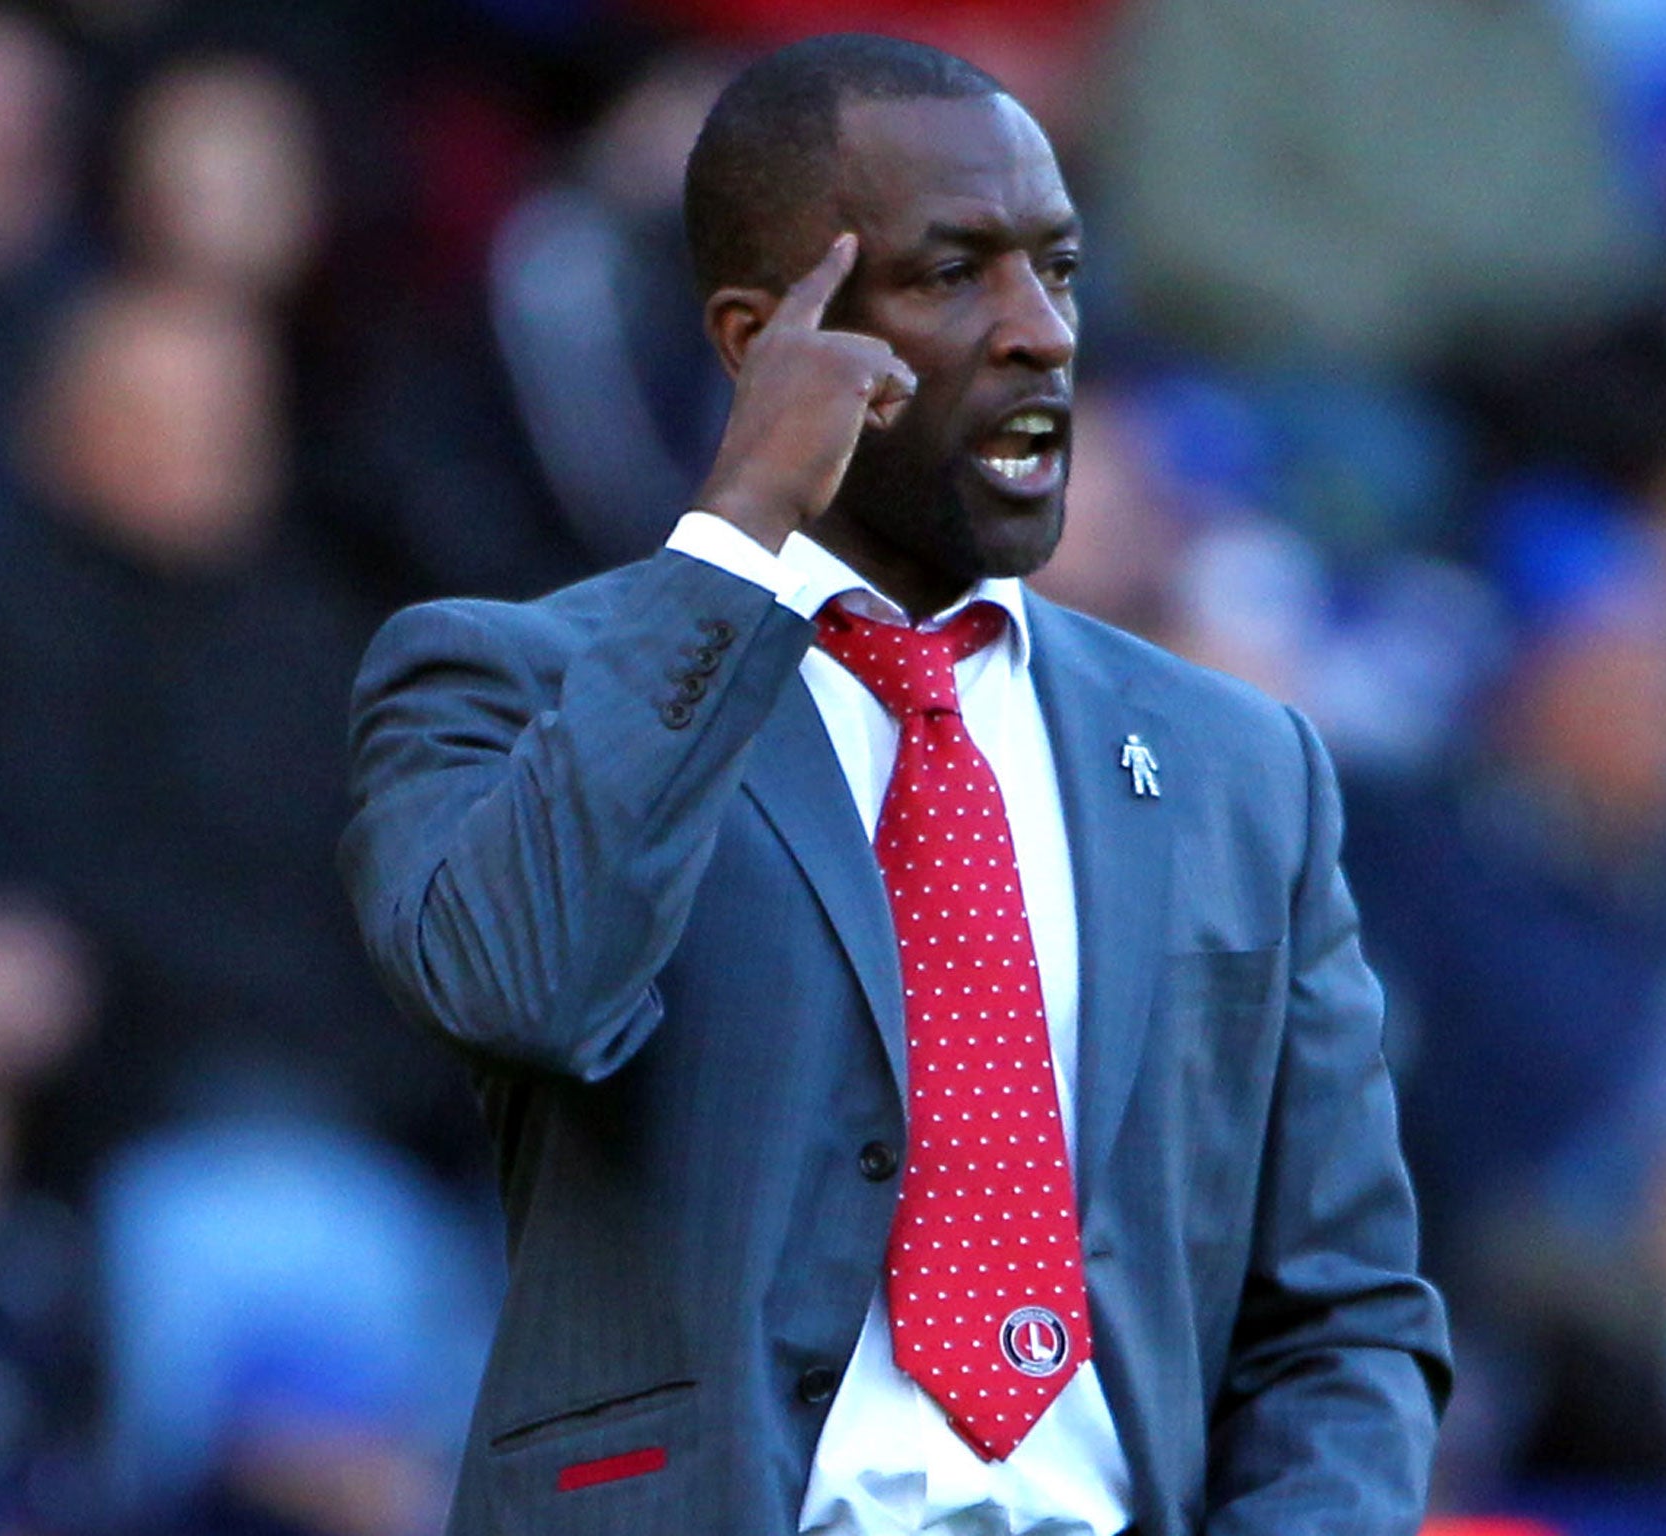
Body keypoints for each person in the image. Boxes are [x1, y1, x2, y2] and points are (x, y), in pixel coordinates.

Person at [340, 33, 1450, 1536]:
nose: (1041, 333)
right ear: (758, 340)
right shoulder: (511, 683)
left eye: (1056, 269)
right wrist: (736, 533)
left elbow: (1346, 1318)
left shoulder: (1237, 766)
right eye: (953, 275)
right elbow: (525, 985)